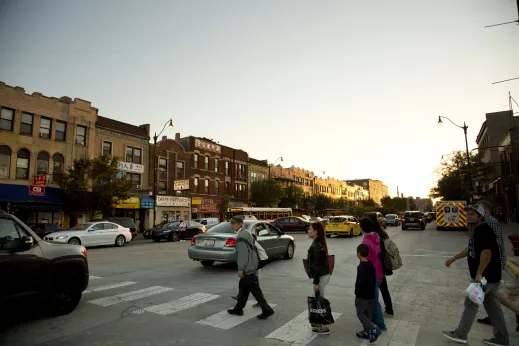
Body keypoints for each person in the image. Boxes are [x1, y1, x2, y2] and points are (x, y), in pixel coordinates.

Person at [443, 204, 509, 346]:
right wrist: (454, 258)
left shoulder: (483, 230)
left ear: (480, 216)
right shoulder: (477, 230)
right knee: (492, 307)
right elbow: (470, 248)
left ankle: (461, 334)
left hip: (486, 277)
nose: (469, 216)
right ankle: (502, 339)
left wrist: (479, 274)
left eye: (472, 214)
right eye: (468, 214)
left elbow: (486, 254)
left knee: (470, 303)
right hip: (489, 276)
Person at [476, 200, 519, 332]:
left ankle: (514, 312)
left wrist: (491, 262)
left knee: (488, 292)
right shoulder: (488, 222)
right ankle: (495, 315)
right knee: (492, 292)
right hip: (492, 261)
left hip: (494, 262)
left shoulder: (491, 222)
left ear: (486, 210)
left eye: (479, 209)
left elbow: (496, 244)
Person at [227, 217, 274, 319]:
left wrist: (241, 268)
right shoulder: (245, 232)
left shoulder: (241, 235)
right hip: (251, 265)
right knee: (243, 287)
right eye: (231, 223)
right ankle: (238, 309)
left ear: (240, 223)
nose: (232, 225)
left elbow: (243, 254)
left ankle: (267, 310)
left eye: (233, 223)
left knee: (255, 291)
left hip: (248, 267)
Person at [360, 217, 387, 333]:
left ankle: (379, 326)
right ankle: (375, 324)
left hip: (371, 276)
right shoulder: (376, 237)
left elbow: (365, 262)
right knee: (373, 301)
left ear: (362, 227)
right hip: (379, 274)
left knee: (372, 302)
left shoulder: (366, 242)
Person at [365, 213, 394, 316]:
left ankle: (373, 311)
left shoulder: (372, 234)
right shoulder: (380, 232)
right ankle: (389, 308)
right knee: (383, 288)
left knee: (374, 290)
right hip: (381, 264)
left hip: (376, 265)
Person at [307, 222, 331, 334]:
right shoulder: (317, 243)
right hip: (323, 275)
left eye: (310, 229)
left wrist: (316, 282)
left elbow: (316, 266)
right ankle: (318, 323)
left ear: (316, 232)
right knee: (317, 299)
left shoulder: (316, 246)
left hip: (321, 276)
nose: (308, 230)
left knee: (319, 301)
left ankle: (324, 326)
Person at [355, 243, 381, 343]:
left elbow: (359, 282)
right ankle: (368, 332)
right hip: (370, 295)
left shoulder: (361, 267)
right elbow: (374, 280)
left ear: (358, 254)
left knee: (360, 313)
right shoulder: (371, 265)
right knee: (367, 314)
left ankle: (374, 329)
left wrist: (357, 293)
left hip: (362, 296)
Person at [231, 233, 260, 308]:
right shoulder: (251, 247)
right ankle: (239, 304)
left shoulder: (252, 248)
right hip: (251, 271)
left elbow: (246, 259)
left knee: (254, 290)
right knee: (248, 288)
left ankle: (264, 307)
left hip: (251, 272)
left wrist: (241, 269)